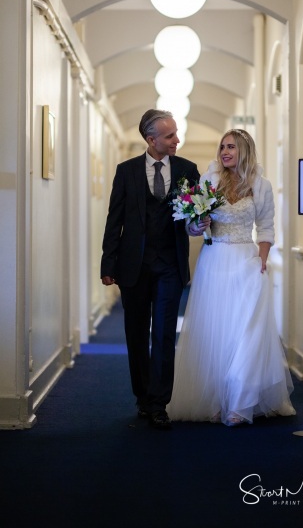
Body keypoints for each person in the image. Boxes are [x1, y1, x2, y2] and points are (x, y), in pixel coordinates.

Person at [167, 129, 296, 426]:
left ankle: (240, 401)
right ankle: (213, 398)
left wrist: (262, 262)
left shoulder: (261, 185)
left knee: (245, 329)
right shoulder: (209, 181)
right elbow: (191, 226)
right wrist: (199, 224)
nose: (225, 152)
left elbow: (265, 227)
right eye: (222, 147)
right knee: (216, 330)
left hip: (247, 261)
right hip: (215, 260)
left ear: (245, 150)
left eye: (231, 147)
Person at [100, 109, 208, 430]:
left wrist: (199, 222)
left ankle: (159, 403)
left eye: (176, 133)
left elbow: (194, 215)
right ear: (151, 140)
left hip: (170, 266)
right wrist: (108, 263)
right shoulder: (127, 171)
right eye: (170, 135)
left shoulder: (188, 170)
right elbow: (114, 220)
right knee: (136, 334)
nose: (178, 140)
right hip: (132, 267)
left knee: (163, 334)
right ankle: (143, 396)